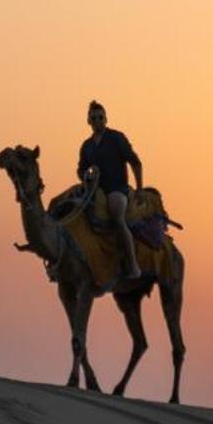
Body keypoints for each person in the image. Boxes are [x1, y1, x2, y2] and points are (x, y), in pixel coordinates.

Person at [77, 100, 143, 285]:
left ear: (105, 119)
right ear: (88, 121)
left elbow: (135, 162)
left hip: (117, 188)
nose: (97, 120)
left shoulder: (116, 138)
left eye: (100, 117)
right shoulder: (87, 146)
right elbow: (80, 170)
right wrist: (88, 173)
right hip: (95, 190)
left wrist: (139, 189)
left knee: (116, 214)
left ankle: (133, 265)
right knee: (73, 210)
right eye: (93, 117)